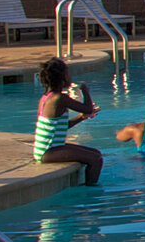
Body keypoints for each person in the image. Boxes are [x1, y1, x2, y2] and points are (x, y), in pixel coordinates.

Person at [33, 56, 102, 184]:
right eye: (67, 73)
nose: (69, 76)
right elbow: (88, 109)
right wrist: (85, 91)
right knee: (95, 159)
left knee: (96, 153)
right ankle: (90, 192)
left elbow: (59, 126)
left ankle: (87, 185)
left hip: (47, 148)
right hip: (48, 151)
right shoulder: (59, 98)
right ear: (62, 77)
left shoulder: (46, 98)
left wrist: (80, 118)